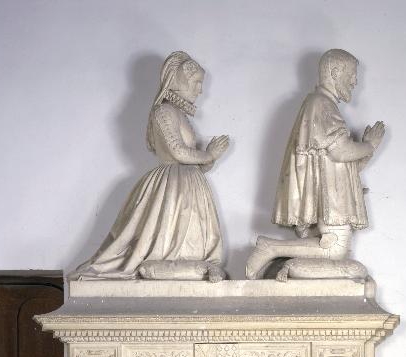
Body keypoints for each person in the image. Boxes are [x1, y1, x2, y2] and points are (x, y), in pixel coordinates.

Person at [74, 51, 229, 280]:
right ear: (179, 81)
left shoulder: (180, 115)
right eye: (196, 83)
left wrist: (209, 158)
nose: (200, 90)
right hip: (171, 188)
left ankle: (191, 269)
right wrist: (208, 154)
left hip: (189, 187)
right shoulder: (163, 111)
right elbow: (177, 151)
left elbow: (191, 161)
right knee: (166, 245)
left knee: (191, 246)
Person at [246, 49, 384, 278]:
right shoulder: (321, 104)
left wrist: (366, 153)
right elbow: (340, 152)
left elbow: (343, 164)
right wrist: (369, 145)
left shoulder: (321, 104)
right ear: (335, 71)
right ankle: (271, 248)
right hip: (330, 198)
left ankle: (276, 253)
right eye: (352, 74)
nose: (355, 81)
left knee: (336, 248)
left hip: (332, 194)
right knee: (336, 248)